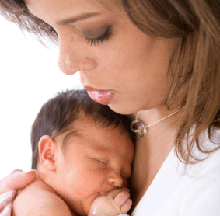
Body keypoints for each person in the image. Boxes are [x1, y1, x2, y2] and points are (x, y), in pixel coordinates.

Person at [0, 0, 220, 215]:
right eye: (52, 28)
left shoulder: (210, 182)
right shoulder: (95, 115)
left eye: (94, 31)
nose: (65, 65)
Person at [12, 89, 134, 216]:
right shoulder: (40, 202)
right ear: (50, 155)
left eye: (125, 174)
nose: (119, 181)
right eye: (101, 162)